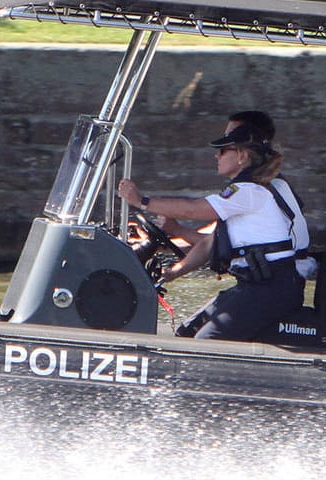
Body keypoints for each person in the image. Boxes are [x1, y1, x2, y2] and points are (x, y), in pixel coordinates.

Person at [116, 124, 306, 341]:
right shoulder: (242, 196)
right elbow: (209, 243)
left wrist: (142, 201)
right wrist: (172, 273)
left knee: (206, 342)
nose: (217, 156)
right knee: (185, 333)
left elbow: (193, 209)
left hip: (270, 290)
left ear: (242, 156)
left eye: (224, 150)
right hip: (254, 286)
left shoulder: (249, 191)